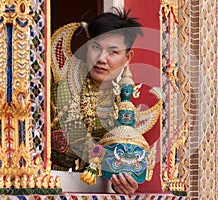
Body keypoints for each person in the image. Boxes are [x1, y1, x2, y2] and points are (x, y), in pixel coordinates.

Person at [50, 8, 143, 195]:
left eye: (113, 52)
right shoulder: (58, 81)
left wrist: (123, 184)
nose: (102, 59)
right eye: (95, 47)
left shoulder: (124, 111)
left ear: (127, 59)